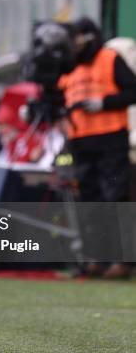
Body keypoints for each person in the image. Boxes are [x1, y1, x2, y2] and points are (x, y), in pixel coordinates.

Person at [59, 18, 136, 279]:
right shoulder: (69, 67)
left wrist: (103, 103)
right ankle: (97, 259)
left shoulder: (110, 58)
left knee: (115, 200)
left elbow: (132, 91)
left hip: (111, 139)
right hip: (82, 142)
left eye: (77, 37)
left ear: (89, 37)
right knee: (90, 204)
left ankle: (123, 262)